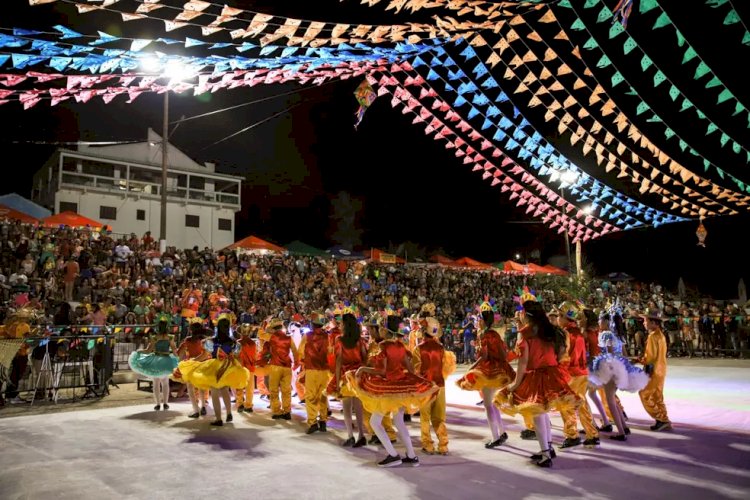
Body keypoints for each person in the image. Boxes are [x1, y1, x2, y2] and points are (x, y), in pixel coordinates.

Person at [494, 300, 578, 468]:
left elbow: (523, 363)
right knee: (543, 412)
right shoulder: (550, 330)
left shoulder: (525, 333)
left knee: (539, 415)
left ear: (526, 315)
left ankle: (546, 454)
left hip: (536, 375)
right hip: (552, 373)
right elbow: (561, 353)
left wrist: (516, 384)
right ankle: (548, 447)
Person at [348, 312, 438, 467]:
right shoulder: (400, 346)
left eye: (381, 327)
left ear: (385, 330)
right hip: (400, 388)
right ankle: (411, 455)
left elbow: (382, 371)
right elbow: (410, 369)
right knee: (399, 422)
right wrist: (418, 381)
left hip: (387, 389)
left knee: (374, 422)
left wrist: (363, 369)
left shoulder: (383, 346)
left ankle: (393, 455)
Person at [455, 301, 515, 448]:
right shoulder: (494, 333)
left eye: (478, 319)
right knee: (492, 403)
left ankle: (495, 436)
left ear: (482, 321)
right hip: (498, 369)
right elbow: (502, 352)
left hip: (489, 370)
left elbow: (484, 356)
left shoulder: (485, 335)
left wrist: (472, 367)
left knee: (488, 405)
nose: (477, 322)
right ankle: (501, 432)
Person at [179, 314, 249, 426]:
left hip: (214, 367)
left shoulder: (211, 341)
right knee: (225, 391)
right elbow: (237, 357)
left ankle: (218, 419)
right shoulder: (233, 342)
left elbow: (204, 355)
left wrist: (193, 361)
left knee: (215, 392)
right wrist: (239, 367)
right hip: (228, 367)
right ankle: (229, 413)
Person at [589, 309, 649, 440]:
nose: (599, 323)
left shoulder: (606, 335)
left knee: (611, 401)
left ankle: (621, 432)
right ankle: (624, 428)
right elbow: (624, 355)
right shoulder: (619, 335)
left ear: (605, 321)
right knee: (613, 399)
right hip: (620, 367)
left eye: (600, 320)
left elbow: (608, 353)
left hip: (610, 368)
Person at [557, 301, 600, 449]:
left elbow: (564, 356)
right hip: (582, 373)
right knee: (582, 404)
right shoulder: (579, 334)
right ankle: (592, 434)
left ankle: (572, 435)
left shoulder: (566, 334)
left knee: (566, 405)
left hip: (570, 374)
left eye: (559, 316)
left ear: (564, 318)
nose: (557, 319)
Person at [413, 316, 456, 455]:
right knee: (439, 417)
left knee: (425, 417)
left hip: (425, 387)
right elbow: (445, 366)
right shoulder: (441, 348)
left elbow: (416, 370)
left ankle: (428, 444)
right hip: (440, 385)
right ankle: (443, 445)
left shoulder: (418, 349)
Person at [128, 313, 179, 411]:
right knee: (165, 382)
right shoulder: (170, 337)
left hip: (156, 360)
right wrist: (178, 359)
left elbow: (148, 350)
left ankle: (158, 404)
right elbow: (175, 350)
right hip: (167, 360)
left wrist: (139, 352)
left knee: (156, 382)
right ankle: (165, 403)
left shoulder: (155, 337)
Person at [634, 309, 672, 431]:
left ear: (654, 323)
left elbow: (649, 357)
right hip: (661, 369)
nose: (644, 323)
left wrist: (638, 360)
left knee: (644, 394)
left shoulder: (652, 337)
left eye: (646, 320)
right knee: (657, 396)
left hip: (654, 371)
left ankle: (660, 418)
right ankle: (664, 419)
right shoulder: (660, 335)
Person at [335, 312, 369, 447]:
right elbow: (365, 358)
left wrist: (337, 382)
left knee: (347, 408)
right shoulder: (360, 340)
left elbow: (338, 362)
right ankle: (361, 435)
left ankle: (350, 436)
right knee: (358, 407)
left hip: (345, 377)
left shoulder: (340, 340)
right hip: (358, 377)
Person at [258, 317, 299, 420]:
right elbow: (295, 352)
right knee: (286, 390)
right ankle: (287, 411)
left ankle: (277, 411)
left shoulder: (271, 337)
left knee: (274, 390)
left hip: (275, 366)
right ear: (281, 327)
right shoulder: (289, 338)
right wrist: (296, 364)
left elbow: (260, 334)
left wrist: (264, 323)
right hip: (287, 367)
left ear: (273, 328)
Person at [298, 311, 331, 434]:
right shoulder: (327, 336)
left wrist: (302, 361)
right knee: (322, 395)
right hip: (324, 370)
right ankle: (323, 422)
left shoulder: (307, 336)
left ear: (313, 324)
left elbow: (300, 351)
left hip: (311, 369)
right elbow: (330, 351)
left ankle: (312, 422)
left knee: (311, 396)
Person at [174, 317, 211, 418]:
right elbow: (207, 354)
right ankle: (203, 406)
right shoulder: (204, 340)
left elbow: (179, 353)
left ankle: (196, 410)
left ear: (191, 329)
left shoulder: (188, 340)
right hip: (203, 365)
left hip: (191, 366)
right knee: (201, 386)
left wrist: (189, 361)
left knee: (190, 387)